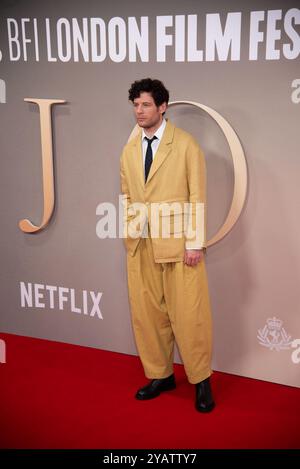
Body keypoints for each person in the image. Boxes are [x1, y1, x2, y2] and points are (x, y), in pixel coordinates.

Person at [120, 78, 215, 412]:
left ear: (162, 107)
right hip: (141, 245)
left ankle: (201, 380)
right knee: (148, 315)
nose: (139, 111)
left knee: (190, 316)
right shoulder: (130, 150)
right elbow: (127, 195)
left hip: (179, 246)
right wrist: (130, 234)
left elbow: (197, 197)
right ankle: (161, 375)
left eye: (145, 104)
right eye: (135, 105)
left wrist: (194, 243)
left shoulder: (186, 145)